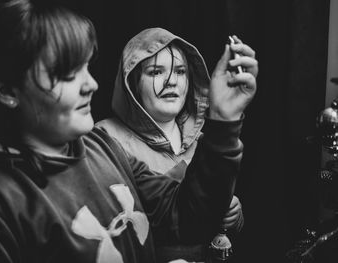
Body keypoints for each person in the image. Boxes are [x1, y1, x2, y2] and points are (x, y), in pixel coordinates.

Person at [0, 1, 257, 263]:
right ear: (9, 91)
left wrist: (222, 119)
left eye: (86, 68)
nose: (91, 84)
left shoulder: (104, 149)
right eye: (67, 74)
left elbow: (188, 217)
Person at [96, 27, 255, 262]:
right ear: (133, 82)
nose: (171, 81)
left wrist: (233, 215)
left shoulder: (208, 139)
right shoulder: (106, 139)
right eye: (156, 71)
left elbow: (210, 219)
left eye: (180, 71)